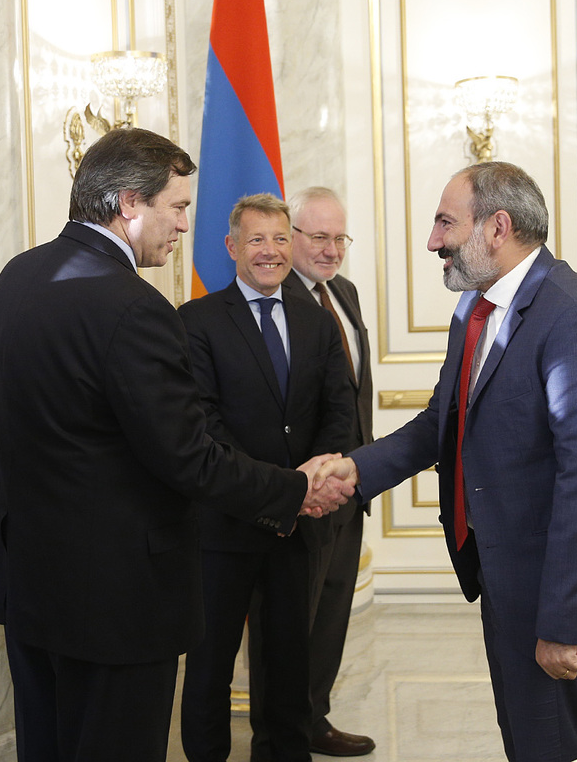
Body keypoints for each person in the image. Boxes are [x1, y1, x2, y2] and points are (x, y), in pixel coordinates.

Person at [0, 128, 351, 762]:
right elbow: (188, 456)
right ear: (129, 203)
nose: (183, 225)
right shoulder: (133, 306)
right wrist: (294, 489)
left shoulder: (18, 276)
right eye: (176, 207)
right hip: (116, 594)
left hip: (31, 581)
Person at [314, 162, 577, 762]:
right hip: (505, 571)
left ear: (498, 227)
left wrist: (561, 623)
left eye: (445, 223)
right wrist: (358, 468)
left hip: (555, 586)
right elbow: (442, 422)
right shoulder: (475, 309)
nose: (433, 241)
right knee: (525, 739)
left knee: (546, 746)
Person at [177, 194, 356, 762]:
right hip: (224, 526)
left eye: (280, 239)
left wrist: (316, 482)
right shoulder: (197, 321)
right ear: (232, 247)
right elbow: (204, 426)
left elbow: (339, 413)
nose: (270, 251)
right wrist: (282, 490)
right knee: (210, 665)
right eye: (256, 239)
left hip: (298, 530)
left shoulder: (317, 321)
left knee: (289, 664)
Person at [280, 186, 376, 757]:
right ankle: (288, 729)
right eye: (319, 237)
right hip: (305, 488)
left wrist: (362, 470)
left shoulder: (345, 292)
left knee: (334, 606)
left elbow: (354, 392)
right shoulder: (275, 296)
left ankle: (314, 717)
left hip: (352, 484)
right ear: (289, 236)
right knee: (297, 615)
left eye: (340, 238)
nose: (332, 249)